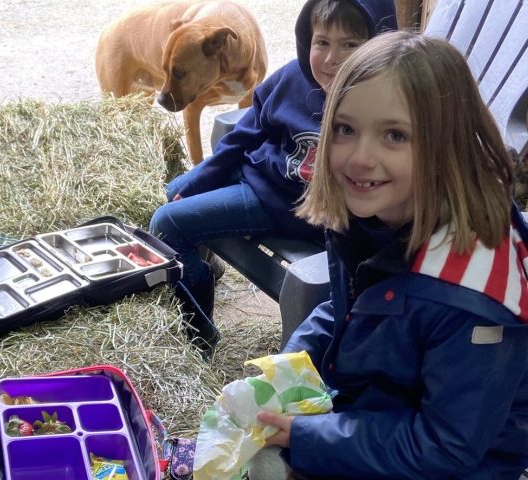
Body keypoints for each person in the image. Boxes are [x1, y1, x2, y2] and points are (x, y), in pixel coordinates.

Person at [250, 30, 528, 479]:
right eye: (345, 129)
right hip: (374, 420)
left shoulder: (472, 298)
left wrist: (308, 438)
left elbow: (446, 449)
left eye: (395, 135)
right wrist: (293, 363)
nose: (359, 157)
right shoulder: (375, 217)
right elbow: (351, 309)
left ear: (445, 145)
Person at [148, 0, 397, 356]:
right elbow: (242, 135)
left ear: (377, 44)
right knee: (166, 216)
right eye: (321, 42)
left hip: (329, 225)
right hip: (266, 194)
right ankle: (198, 330)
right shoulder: (290, 80)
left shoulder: (385, 107)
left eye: (350, 45)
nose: (331, 59)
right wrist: (194, 181)